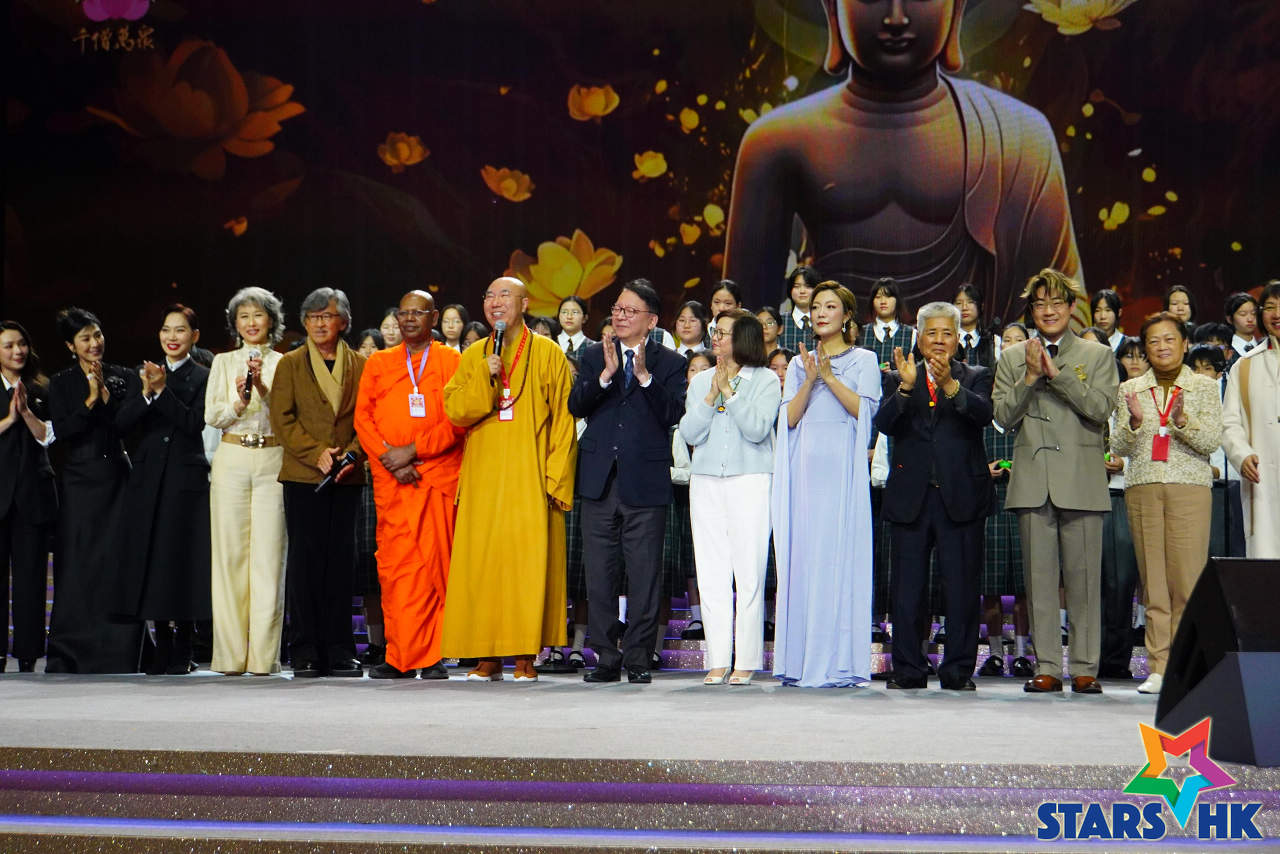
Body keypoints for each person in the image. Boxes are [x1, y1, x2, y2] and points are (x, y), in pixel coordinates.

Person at [723, 0, 1082, 324]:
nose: (896, 18)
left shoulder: (1019, 135)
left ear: (956, 7)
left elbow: (1067, 307)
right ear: (833, 8)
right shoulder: (777, 141)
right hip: (830, 365)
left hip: (969, 368)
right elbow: (743, 320)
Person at [442, 277, 578, 681]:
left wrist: (555, 479)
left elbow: (564, 421)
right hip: (483, 479)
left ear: (525, 303)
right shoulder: (475, 354)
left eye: (505, 295)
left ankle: (524, 655)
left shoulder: (548, 353)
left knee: (526, 568)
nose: (495, 302)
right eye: (489, 296)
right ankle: (486, 655)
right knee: (483, 567)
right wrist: (484, 376)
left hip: (530, 476)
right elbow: (455, 410)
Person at [993, 269, 1117, 695]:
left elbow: (1100, 409)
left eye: (1057, 302)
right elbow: (1002, 416)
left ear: (1071, 307)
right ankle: (1046, 665)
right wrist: (1030, 378)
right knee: (1039, 581)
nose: (1049, 310)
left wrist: (1058, 375)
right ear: (1030, 310)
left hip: (1081, 478)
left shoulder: (1096, 355)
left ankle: (1084, 667)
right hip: (1032, 479)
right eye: (1040, 303)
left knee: (1084, 581)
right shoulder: (1013, 358)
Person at [570, 279, 687, 684]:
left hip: (645, 481)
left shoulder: (669, 362)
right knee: (599, 574)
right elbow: (576, 405)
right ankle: (605, 657)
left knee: (644, 574)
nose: (620, 316)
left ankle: (638, 657)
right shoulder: (593, 355)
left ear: (651, 321)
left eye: (630, 311)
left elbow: (673, 413)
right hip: (599, 480)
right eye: (617, 309)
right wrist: (605, 376)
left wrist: (645, 378)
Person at [875, 301, 994, 691]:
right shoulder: (898, 377)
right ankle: (908, 669)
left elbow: (983, 415)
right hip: (911, 498)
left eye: (947, 333)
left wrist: (950, 387)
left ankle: (958, 671)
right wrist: (906, 387)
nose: (940, 340)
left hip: (961, 497)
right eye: (932, 332)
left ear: (957, 339)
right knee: (907, 591)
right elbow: (885, 424)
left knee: (961, 590)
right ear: (919, 337)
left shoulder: (976, 375)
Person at [772, 282, 881, 687]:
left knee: (838, 558)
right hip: (804, 471)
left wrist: (830, 378)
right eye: (816, 306)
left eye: (830, 306)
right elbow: (789, 419)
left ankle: (838, 662)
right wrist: (808, 378)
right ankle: (800, 661)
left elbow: (864, 414)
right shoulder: (798, 362)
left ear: (847, 315)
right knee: (804, 558)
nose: (820, 313)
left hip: (842, 470)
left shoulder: (865, 360)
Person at [354, 290, 465, 679]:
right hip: (394, 482)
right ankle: (399, 655)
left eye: (419, 313)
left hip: (435, 476)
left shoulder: (452, 361)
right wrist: (391, 459)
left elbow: (458, 419)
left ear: (434, 317)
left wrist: (414, 451)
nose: (410, 319)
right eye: (404, 313)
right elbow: (363, 419)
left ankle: (433, 656)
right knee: (396, 570)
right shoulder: (379, 363)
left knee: (435, 568)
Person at [1112, 312, 1222, 694]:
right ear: (1145, 348)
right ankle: (1158, 667)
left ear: (1185, 343)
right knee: (1153, 583)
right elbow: (1119, 446)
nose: (1162, 347)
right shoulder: (1131, 389)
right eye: (1153, 341)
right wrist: (1135, 423)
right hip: (1143, 486)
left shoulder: (1204, 387)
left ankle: (1186, 666)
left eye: (1169, 339)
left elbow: (1211, 441)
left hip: (1189, 486)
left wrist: (1181, 421)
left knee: (1186, 581)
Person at [270, 287, 366, 677]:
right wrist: (316, 453)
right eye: (312, 317)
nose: (319, 324)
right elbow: (282, 419)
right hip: (303, 476)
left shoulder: (361, 364)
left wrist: (352, 453)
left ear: (344, 321)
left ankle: (340, 648)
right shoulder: (290, 363)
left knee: (341, 563)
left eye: (327, 316)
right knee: (305, 564)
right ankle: (305, 649)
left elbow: (368, 417)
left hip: (346, 474)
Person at [679, 311, 780, 686]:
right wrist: (711, 394)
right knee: (711, 573)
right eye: (715, 331)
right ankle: (718, 658)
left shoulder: (765, 380)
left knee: (749, 572)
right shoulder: (700, 380)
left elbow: (757, 430)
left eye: (722, 332)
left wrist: (731, 394)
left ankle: (747, 659)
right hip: (706, 480)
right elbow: (689, 432)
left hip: (750, 480)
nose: (715, 338)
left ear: (743, 338)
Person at [113, 305, 212, 675]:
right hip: (148, 478)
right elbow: (122, 423)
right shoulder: (143, 374)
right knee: (152, 559)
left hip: (185, 480)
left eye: (180, 330)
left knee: (182, 559)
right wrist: (146, 393)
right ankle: (161, 644)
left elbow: (193, 422)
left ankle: (184, 643)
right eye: (166, 330)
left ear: (194, 336)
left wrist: (162, 392)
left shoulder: (203, 375)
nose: (172, 337)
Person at [46, 307, 142, 673]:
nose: (94, 343)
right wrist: (88, 400)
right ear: (71, 346)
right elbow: (64, 431)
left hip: (116, 476)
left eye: (97, 335)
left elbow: (127, 426)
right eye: (85, 338)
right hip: (78, 481)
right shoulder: (61, 382)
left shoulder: (124, 376)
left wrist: (105, 397)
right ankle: (71, 652)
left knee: (116, 562)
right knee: (78, 563)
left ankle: (120, 651)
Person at [205, 286, 287, 676]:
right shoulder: (222, 362)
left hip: (273, 459)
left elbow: (287, 416)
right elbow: (212, 415)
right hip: (232, 456)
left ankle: (264, 658)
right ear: (235, 324)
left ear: (271, 320)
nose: (251, 323)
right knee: (229, 558)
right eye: (244, 316)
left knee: (269, 558)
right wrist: (240, 400)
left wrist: (263, 389)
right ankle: (229, 656)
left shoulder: (285, 363)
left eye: (258, 315)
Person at [0, 321, 57, 673]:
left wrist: (26, 413)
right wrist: (9, 419)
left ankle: (28, 653)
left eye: (21, 344)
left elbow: (49, 436)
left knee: (31, 579)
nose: (17, 351)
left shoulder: (41, 388)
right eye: (8, 345)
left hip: (33, 495)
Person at [978, 321, 1033, 679]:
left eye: (1019, 341)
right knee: (991, 587)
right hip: (991, 505)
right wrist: (985, 470)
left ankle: (1024, 653)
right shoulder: (983, 413)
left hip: (1026, 503)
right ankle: (996, 653)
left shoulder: (1032, 409)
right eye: (1007, 341)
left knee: (1026, 586)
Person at [1098, 334, 1147, 681]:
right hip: (1084, 498)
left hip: (1121, 496)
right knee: (1087, 585)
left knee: (1120, 584)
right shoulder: (1088, 410)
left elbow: (1150, 451)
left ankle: (1114, 660)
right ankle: (1087, 657)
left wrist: (1123, 466)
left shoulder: (1136, 408)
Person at [1221, 281, 1280, 558]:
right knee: (1266, 560)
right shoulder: (1244, 366)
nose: (1276, 314)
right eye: (1270, 307)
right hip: (1262, 478)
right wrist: (1241, 455)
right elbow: (1229, 423)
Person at [859, 278, 916, 371]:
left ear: (897, 300)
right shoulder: (861, 332)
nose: (883, 301)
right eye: (878, 297)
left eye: (888, 296)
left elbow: (916, 368)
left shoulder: (912, 334)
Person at [954, 284, 999, 368]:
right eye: (958, 303)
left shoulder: (993, 341)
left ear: (981, 306)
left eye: (970, 302)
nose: (964, 308)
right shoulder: (948, 340)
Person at [778, 266, 820, 353]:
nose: (802, 291)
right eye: (797, 286)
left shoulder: (824, 321)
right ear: (790, 290)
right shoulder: (779, 321)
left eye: (808, 286)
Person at [1225, 292, 1262, 358]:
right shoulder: (1226, 350)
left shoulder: (1265, 346)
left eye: (1253, 313)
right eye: (1243, 314)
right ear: (1229, 319)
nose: (1250, 319)